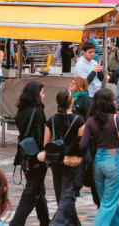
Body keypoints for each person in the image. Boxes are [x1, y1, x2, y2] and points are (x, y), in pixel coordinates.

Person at [79, 88, 119, 224]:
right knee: (108, 203)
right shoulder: (116, 118)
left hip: (98, 160)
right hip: (114, 159)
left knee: (106, 200)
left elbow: (82, 145)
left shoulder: (91, 120)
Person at [43, 89, 85, 225]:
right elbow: (81, 145)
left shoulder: (51, 120)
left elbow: (46, 144)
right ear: (71, 101)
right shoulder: (79, 121)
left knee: (60, 194)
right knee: (67, 195)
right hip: (72, 161)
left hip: (55, 160)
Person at [10, 81, 49, 226]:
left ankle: (45, 221)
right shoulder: (38, 111)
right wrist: (45, 153)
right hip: (36, 155)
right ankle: (16, 222)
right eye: (42, 92)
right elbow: (40, 136)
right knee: (32, 191)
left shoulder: (21, 110)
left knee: (38, 189)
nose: (44, 95)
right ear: (36, 95)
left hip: (24, 154)